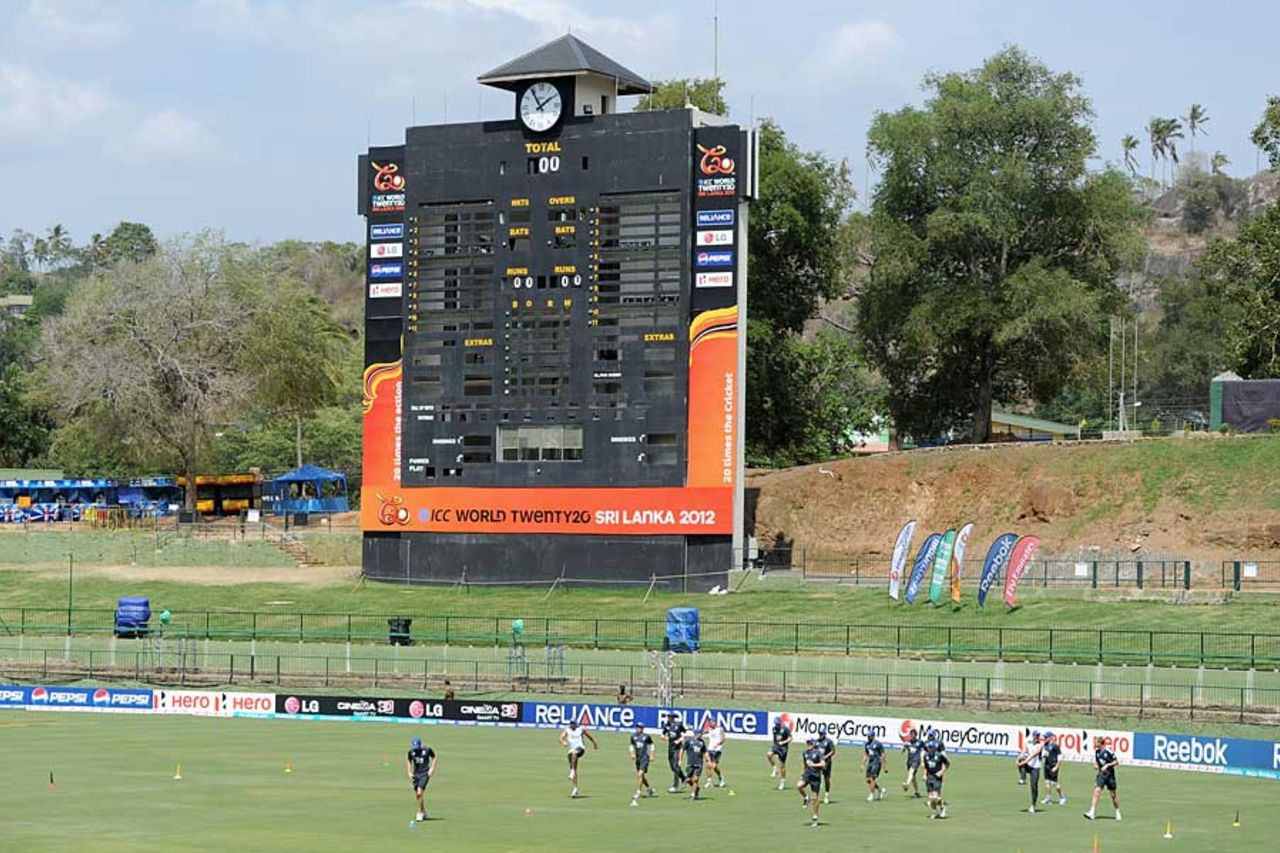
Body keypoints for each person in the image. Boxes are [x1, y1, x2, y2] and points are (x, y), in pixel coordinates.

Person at [1083, 737, 1121, 821]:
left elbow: (1117, 762)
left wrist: (1107, 765)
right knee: (1096, 791)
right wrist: (1096, 765)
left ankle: (1117, 811)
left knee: (1113, 794)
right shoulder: (1096, 752)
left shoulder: (1109, 751)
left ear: (1100, 743)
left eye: (1096, 742)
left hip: (1110, 775)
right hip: (1101, 775)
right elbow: (1097, 761)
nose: (1094, 744)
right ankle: (1092, 812)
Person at [559, 719, 598, 798]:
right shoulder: (567, 730)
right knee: (574, 766)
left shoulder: (581, 729)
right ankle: (575, 789)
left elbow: (589, 736)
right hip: (571, 750)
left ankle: (572, 771)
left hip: (580, 748)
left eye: (574, 725)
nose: (573, 726)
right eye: (572, 725)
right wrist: (563, 742)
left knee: (574, 754)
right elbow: (561, 738)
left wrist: (594, 743)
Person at [406, 736, 437, 822]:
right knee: (418, 795)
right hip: (416, 775)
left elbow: (434, 757)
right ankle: (423, 811)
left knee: (420, 792)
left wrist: (432, 769)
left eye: (417, 747)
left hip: (425, 773)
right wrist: (409, 772)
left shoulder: (427, 750)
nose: (416, 749)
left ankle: (419, 812)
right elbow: (409, 760)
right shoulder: (411, 752)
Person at [797, 737, 826, 828]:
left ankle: (815, 817)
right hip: (807, 775)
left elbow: (823, 764)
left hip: (816, 777)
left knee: (815, 798)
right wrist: (802, 774)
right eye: (808, 743)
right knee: (799, 786)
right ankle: (806, 798)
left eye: (810, 743)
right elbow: (804, 765)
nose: (808, 745)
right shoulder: (805, 753)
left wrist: (814, 765)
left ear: (814, 744)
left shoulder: (818, 752)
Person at [922, 736, 950, 819]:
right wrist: (924, 774)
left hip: (937, 778)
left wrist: (941, 772)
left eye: (931, 747)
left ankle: (944, 807)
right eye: (929, 748)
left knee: (935, 797)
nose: (930, 749)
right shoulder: (926, 756)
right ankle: (935, 812)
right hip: (929, 777)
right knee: (931, 798)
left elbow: (947, 764)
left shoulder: (940, 756)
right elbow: (925, 767)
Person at [628, 722, 656, 806]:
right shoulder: (633, 736)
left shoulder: (646, 736)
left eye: (640, 727)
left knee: (640, 774)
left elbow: (652, 744)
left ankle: (638, 792)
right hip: (638, 758)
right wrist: (632, 753)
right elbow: (631, 745)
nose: (638, 728)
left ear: (643, 728)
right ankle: (649, 789)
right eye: (637, 727)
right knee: (642, 776)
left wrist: (652, 754)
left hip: (645, 758)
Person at [661, 713, 689, 792]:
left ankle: (675, 785)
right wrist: (665, 738)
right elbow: (662, 734)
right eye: (668, 717)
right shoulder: (666, 725)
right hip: (670, 748)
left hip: (678, 748)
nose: (669, 718)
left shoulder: (678, 725)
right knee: (672, 767)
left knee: (676, 765)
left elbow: (685, 734)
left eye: (670, 717)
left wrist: (679, 740)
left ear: (673, 718)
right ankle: (684, 778)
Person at [1017, 731, 1044, 814]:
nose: (1036, 737)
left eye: (1038, 736)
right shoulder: (1028, 742)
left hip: (1036, 767)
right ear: (1033, 736)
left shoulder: (1041, 744)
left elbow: (1034, 754)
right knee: (1021, 760)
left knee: (1034, 786)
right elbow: (1023, 750)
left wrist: (1025, 761)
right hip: (1028, 765)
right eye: (1035, 736)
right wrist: (1018, 758)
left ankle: (1033, 805)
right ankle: (1023, 778)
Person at [767, 715, 793, 791]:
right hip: (776, 746)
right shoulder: (774, 729)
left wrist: (784, 742)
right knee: (769, 755)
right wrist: (775, 745)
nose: (776, 725)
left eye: (777, 723)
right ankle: (775, 769)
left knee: (782, 766)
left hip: (783, 748)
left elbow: (791, 738)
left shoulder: (785, 729)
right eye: (775, 724)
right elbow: (775, 739)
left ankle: (782, 782)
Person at [683, 728, 710, 800]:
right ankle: (697, 788)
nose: (702, 735)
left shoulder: (702, 742)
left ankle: (693, 795)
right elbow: (682, 749)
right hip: (690, 763)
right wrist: (680, 759)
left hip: (699, 763)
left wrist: (708, 760)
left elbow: (705, 751)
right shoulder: (689, 741)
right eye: (701, 734)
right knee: (688, 780)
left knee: (695, 779)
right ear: (697, 734)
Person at [1041, 732, 1066, 806]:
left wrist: (1056, 766)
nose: (1044, 738)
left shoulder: (1055, 746)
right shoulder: (1045, 745)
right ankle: (1048, 798)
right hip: (1047, 765)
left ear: (1050, 737)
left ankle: (1062, 797)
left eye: (1046, 737)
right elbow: (1045, 754)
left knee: (1055, 783)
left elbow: (1060, 756)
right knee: (1047, 782)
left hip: (1053, 765)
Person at [814, 730, 836, 804]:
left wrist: (826, 756)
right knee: (816, 777)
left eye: (821, 734)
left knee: (826, 778)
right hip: (818, 762)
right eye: (819, 734)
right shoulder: (816, 742)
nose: (820, 735)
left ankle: (826, 795)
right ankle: (816, 796)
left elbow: (833, 751)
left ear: (824, 734)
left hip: (827, 762)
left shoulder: (829, 742)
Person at [862, 732, 885, 802]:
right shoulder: (867, 744)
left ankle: (871, 795)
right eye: (867, 736)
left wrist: (884, 765)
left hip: (877, 763)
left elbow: (883, 754)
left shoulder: (878, 744)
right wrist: (862, 764)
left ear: (873, 736)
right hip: (870, 763)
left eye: (869, 736)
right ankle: (880, 790)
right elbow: (866, 754)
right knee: (868, 780)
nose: (868, 737)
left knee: (872, 778)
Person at [901, 727, 923, 797]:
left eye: (913, 734)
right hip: (909, 761)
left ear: (916, 735)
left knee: (911, 771)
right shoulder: (908, 742)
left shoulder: (920, 742)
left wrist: (922, 759)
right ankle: (917, 791)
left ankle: (907, 784)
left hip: (916, 760)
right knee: (913, 777)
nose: (912, 735)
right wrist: (904, 747)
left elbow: (924, 749)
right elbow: (902, 751)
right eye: (911, 734)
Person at [705, 720, 727, 788]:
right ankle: (709, 781)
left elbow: (723, 739)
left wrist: (718, 744)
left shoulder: (720, 729)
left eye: (712, 722)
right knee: (708, 765)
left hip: (717, 750)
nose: (711, 723)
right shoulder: (709, 729)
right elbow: (703, 732)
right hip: (710, 749)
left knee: (714, 766)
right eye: (710, 722)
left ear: (715, 722)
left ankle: (721, 777)